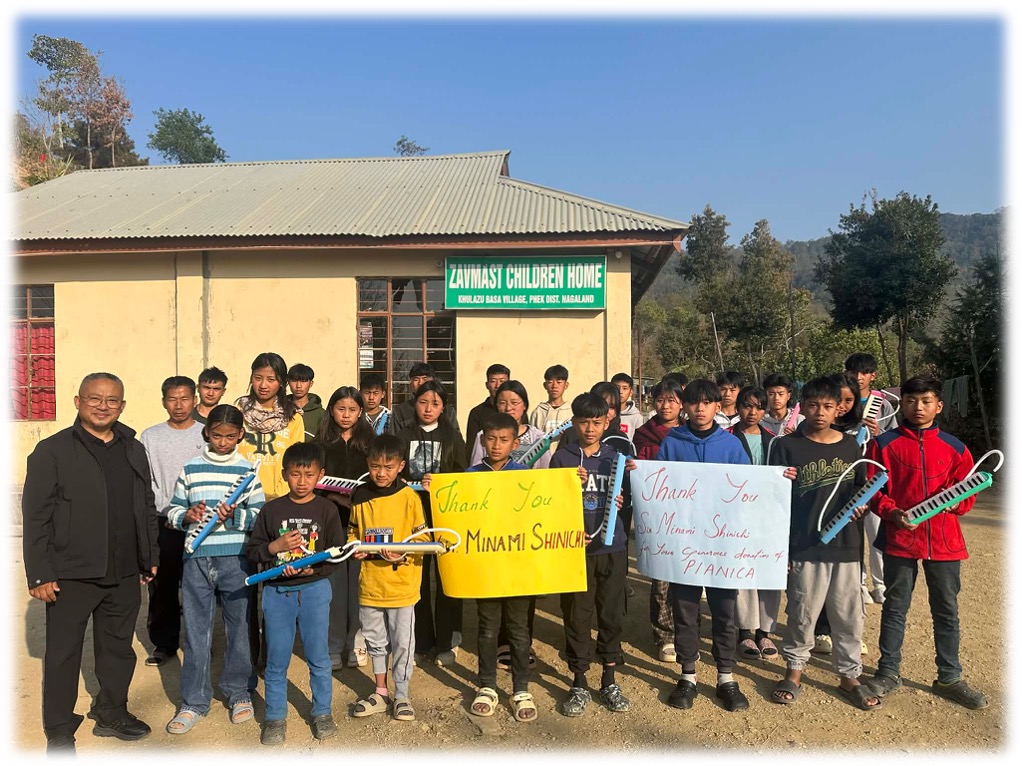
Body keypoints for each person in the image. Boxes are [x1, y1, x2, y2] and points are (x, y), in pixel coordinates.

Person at [22, 372, 160, 752]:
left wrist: (149, 555)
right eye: (95, 398)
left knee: (117, 649)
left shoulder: (133, 448)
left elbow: (145, 504)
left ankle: (111, 712)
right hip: (70, 573)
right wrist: (40, 573)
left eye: (112, 400)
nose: (103, 406)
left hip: (124, 570)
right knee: (63, 653)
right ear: (78, 402)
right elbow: (36, 516)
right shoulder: (52, 451)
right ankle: (59, 728)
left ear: (122, 405)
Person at [864, 376, 988, 710]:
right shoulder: (883, 444)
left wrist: (955, 504)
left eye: (926, 401)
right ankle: (888, 672)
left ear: (939, 406)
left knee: (946, 609)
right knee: (895, 606)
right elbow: (873, 490)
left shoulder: (956, 448)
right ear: (901, 404)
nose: (918, 407)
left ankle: (949, 677)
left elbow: (968, 492)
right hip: (900, 537)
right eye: (910, 400)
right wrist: (891, 512)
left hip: (944, 541)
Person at [767, 376, 881, 711]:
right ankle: (794, 671)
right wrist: (781, 546)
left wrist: (862, 506)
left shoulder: (851, 447)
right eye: (813, 405)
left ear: (839, 409)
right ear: (802, 407)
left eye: (828, 406)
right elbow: (772, 498)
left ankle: (849, 676)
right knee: (802, 611)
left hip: (846, 547)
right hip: (804, 545)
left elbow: (862, 490)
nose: (820, 412)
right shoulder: (785, 446)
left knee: (848, 615)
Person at [164, 404, 266, 734]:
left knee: (240, 628)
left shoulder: (247, 470)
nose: (223, 442)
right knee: (197, 630)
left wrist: (235, 516)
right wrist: (187, 515)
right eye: (217, 435)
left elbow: (259, 516)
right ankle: (194, 701)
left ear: (241, 435)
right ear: (207, 433)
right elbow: (172, 512)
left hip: (236, 559)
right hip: (196, 559)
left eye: (230, 436)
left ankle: (239, 692)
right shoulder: (191, 468)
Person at [656, 378, 751, 712]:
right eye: (694, 402)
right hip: (685, 543)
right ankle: (688, 675)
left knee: (724, 610)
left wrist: (779, 481)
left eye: (707, 403)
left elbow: (749, 489)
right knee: (685, 609)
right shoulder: (672, 442)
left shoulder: (731, 445)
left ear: (717, 407)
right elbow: (658, 487)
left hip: (723, 544)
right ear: (685, 406)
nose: (700, 409)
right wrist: (642, 473)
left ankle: (726, 676)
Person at [247, 442, 345, 745]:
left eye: (309, 475)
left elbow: (336, 554)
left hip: (315, 591)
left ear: (321, 475)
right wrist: (274, 548)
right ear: (284, 474)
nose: (302, 481)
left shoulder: (327, 509)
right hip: (278, 594)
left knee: (319, 657)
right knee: (276, 660)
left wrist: (312, 570)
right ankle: (275, 717)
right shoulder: (271, 510)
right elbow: (253, 552)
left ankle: (322, 712)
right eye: (295, 474)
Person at [550, 393, 631, 717]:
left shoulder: (616, 459)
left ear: (607, 423)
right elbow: (552, 503)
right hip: (576, 550)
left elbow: (625, 499)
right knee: (577, 615)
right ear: (573, 423)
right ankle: (579, 681)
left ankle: (609, 680)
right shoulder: (562, 458)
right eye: (583, 422)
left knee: (610, 615)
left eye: (596, 422)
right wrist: (568, 486)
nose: (590, 428)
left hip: (612, 547)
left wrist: (621, 501)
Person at [463, 413, 539, 721]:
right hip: (486, 568)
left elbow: (543, 515)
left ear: (515, 444)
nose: (497, 445)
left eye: (504, 440)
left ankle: (521, 689)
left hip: (518, 568)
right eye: (491, 439)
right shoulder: (469, 476)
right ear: (482, 441)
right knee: (487, 628)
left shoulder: (526, 477)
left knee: (519, 630)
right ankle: (487, 686)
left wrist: (574, 483)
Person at [348, 434, 429, 723]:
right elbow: (353, 533)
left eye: (388, 467)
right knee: (375, 641)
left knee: (403, 643)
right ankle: (381, 691)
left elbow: (423, 539)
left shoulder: (409, 498)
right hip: (370, 586)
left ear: (401, 466)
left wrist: (402, 551)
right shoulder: (359, 496)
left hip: (401, 587)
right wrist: (355, 548)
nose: (381, 473)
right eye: (375, 466)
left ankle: (402, 695)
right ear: (367, 464)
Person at [396, 379, 467, 665]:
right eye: (423, 402)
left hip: (445, 516)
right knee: (418, 578)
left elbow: (463, 475)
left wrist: (442, 482)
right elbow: (393, 471)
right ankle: (421, 640)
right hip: (413, 515)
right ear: (414, 404)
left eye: (435, 404)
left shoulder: (453, 438)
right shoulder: (403, 436)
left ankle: (448, 642)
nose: (428, 408)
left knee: (448, 576)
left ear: (443, 408)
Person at [139, 375, 205, 668]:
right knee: (162, 585)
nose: (179, 405)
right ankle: (164, 643)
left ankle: (199, 642)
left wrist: (197, 510)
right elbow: (147, 481)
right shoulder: (150, 436)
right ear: (164, 401)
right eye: (172, 399)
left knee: (198, 585)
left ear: (195, 400)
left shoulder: (206, 434)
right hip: (164, 522)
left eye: (185, 399)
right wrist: (169, 511)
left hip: (200, 521)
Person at [314, 386, 374, 670]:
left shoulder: (370, 444)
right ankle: (334, 646)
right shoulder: (320, 445)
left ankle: (358, 642)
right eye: (341, 409)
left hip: (364, 524)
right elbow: (313, 483)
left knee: (360, 585)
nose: (346, 415)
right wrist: (337, 498)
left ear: (360, 412)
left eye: (352, 409)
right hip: (332, 522)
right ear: (331, 410)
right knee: (334, 587)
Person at [631, 376, 684, 662]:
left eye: (671, 400)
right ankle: (664, 635)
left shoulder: (691, 434)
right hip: (658, 514)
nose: (665, 406)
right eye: (660, 400)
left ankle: (686, 630)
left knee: (687, 576)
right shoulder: (643, 434)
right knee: (662, 576)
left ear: (681, 404)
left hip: (688, 514)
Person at [730, 386, 782, 660]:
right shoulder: (726, 438)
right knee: (742, 570)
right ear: (738, 407)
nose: (753, 412)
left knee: (768, 569)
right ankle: (745, 631)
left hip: (768, 516)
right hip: (737, 514)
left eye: (760, 407)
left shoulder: (775, 441)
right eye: (747, 406)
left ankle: (765, 631)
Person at [845, 352, 896, 605]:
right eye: (853, 372)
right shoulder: (842, 400)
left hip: (874, 476)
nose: (858, 377)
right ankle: (859, 582)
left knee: (876, 531)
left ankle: (880, 583)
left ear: (873, 376)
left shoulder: (882, 404)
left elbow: (894, 438)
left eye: (864, 372)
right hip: (847, 475)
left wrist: (879, 432)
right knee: (852, 532)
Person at [235, 352, 305, 500]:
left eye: (271, 379)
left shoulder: (293, 418)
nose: (263, 385)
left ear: (282, 382)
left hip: (279, 499)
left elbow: (295, 463)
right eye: (258, 378)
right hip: (240, 496)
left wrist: (276, 497)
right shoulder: (239, 413)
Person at [468, 380, 552, 469]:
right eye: (502, 403)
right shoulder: (484, 435)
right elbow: (476, 470)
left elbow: (546, 471)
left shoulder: (538, 438)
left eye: (514, 403)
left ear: (524, 405)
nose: (508, 408)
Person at [387, 362, 460, 437]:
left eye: (425, 379)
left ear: (433, 381)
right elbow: (393, 440)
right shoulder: (400, 411)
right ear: (411, 383)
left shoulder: (448, 411)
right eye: (416, 379)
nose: (420, 383)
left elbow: (455, 439)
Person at [465, 363, 511, 451]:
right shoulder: (477, 413)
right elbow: (471, 446)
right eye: (493, 381)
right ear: (487, 385)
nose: (497, 386)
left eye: (502, 381)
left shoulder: (515, 410)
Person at [529, 364, 573, 456]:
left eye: (559, 382)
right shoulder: (538, 412)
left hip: (564, 458)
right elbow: (532, 439)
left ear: (566, 385)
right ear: (545, 385)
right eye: (550, 382)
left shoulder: (571, 412)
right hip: (542, 458)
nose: (554, 386)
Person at [287, 363, 325, 441]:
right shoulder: (280, 409)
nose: (298, 386)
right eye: (294, 381)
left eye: (303, 381)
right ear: (288, 382)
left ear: (311, 384)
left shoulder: (320, 414)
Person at [612, 372, 644, 440]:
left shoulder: (636, 417)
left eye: (625, 388)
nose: (620, 392)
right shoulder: (605, 413)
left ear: (631, 392)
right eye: (617, 387)